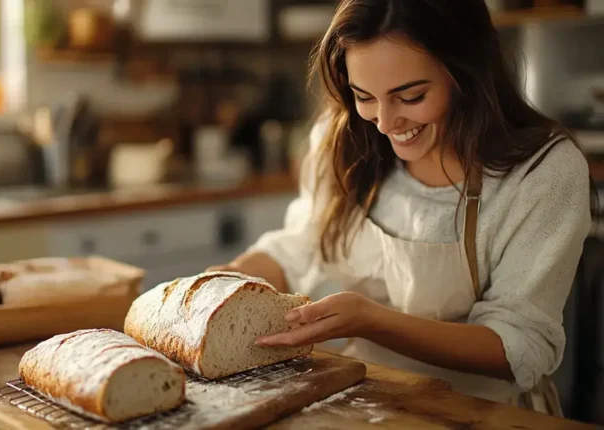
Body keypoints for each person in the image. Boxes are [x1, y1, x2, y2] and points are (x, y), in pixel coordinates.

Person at [207, 0, 594, 415]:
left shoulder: (543, 171)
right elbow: (301, 246)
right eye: (364, 96)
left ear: (466, 72)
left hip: (487, 413)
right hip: (365, 403)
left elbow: (523, 348)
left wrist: (371, 320)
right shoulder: (343, 140)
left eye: (410, 96)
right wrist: (221, 283)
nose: (386, 123)